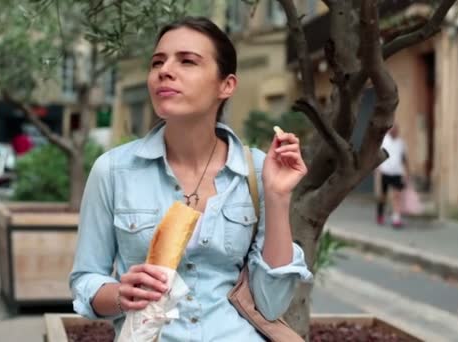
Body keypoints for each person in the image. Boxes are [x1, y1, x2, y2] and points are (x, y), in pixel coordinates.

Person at [69, 17, 313, 341]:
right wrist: (118, 294)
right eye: (158, 61)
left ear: (226, 85)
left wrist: (278, 197)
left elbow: (270, 303)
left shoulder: (257, 170)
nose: (164, 70)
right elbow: (86, 279)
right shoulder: (112, 171)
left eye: (187, 61)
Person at [376, 124, 410, 228]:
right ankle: (380, 213)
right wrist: (377, 170)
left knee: (397, 196)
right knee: (383, 196)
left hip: (397, 173)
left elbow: (404, 159)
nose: (394, 131)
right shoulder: (384, 141)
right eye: (392, 130)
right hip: (384, 172)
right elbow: (377, 156)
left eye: (396, 130)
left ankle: (396, 218)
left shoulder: (401, 143)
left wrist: (407, 172)